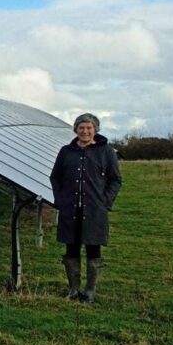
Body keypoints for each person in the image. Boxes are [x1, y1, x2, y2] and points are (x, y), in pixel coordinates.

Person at [49, 113, 122, 303]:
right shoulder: (66, 151)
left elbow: (115, 180)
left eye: (89, 128)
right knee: (71, 248)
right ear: (75, 130)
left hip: (95, 210)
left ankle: (89, 291)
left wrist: (105, 201)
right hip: (70, 209)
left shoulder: (106, 151)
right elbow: (55, 177)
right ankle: (73, 289)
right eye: (81, 127)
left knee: (93, 249)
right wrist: (60, 199)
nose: (85, 131)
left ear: (95, 130)